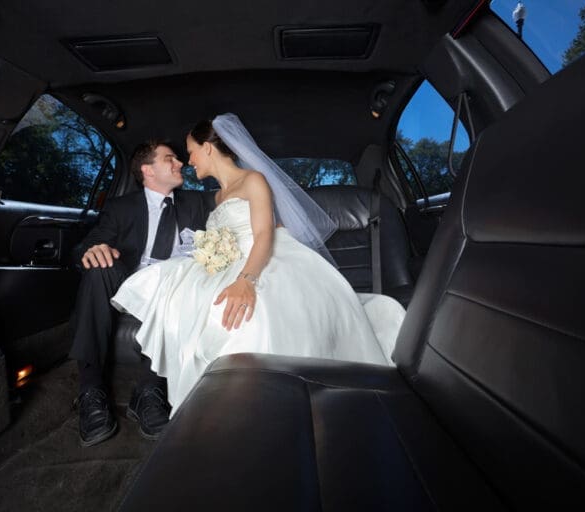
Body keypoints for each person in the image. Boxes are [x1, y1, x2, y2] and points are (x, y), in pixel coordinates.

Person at [111, 114, 405, 415]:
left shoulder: (253, 180)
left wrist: (246, 281)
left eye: (191, 151)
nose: (189, 161)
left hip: (265, 259)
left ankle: (255, 407)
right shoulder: (217, 196)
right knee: (183, 295)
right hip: (228, 265)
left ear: (208, 149)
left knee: (251, 315)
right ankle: (212, 402)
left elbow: (264, 233)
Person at [69, 139, 211, 447]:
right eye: (170, 158)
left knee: (183, 280)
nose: (180, 163)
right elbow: (88, 244)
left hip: (177, 282)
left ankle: (149, 390)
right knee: (99, 269)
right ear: (147, 170)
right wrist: (92, 251)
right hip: (130, 280)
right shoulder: (122, 208)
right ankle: (90, 389)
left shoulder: (197, 203)